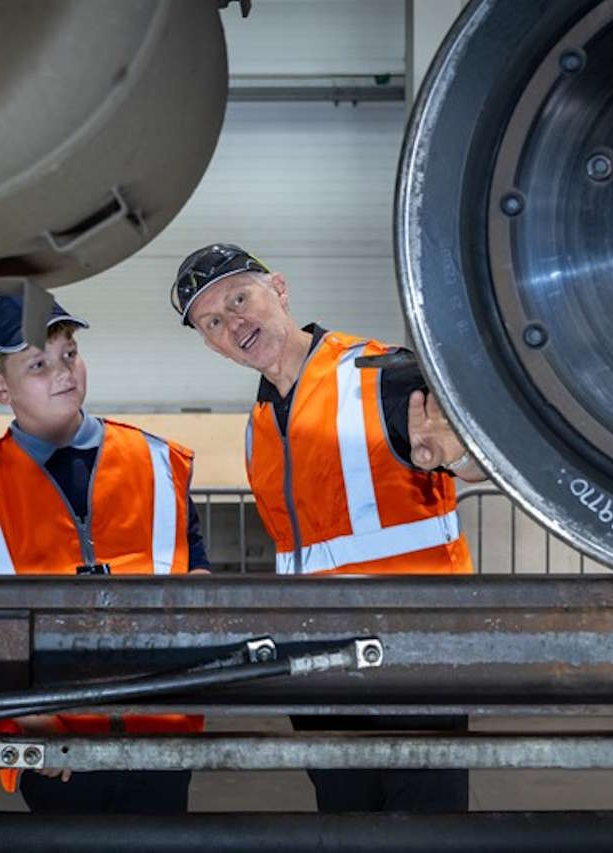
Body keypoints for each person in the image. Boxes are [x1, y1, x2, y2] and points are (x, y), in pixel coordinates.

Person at [172, 242, 487, 813]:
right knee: (345, 825)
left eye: (240, 299)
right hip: (320, 664)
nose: (233, 323)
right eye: (212, 321)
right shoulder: (259, 426)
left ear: (280, 290)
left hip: (412, 658)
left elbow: (476, 461)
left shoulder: (381, 373)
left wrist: (461, 458)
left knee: (427, 830)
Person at [0, 293, 207, 814]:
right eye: (38, 363)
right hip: (50, 748)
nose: (64, 371)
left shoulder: (157, 462)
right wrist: (29, 717)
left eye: (69, 352)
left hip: (163, 737)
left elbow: (197, 576)